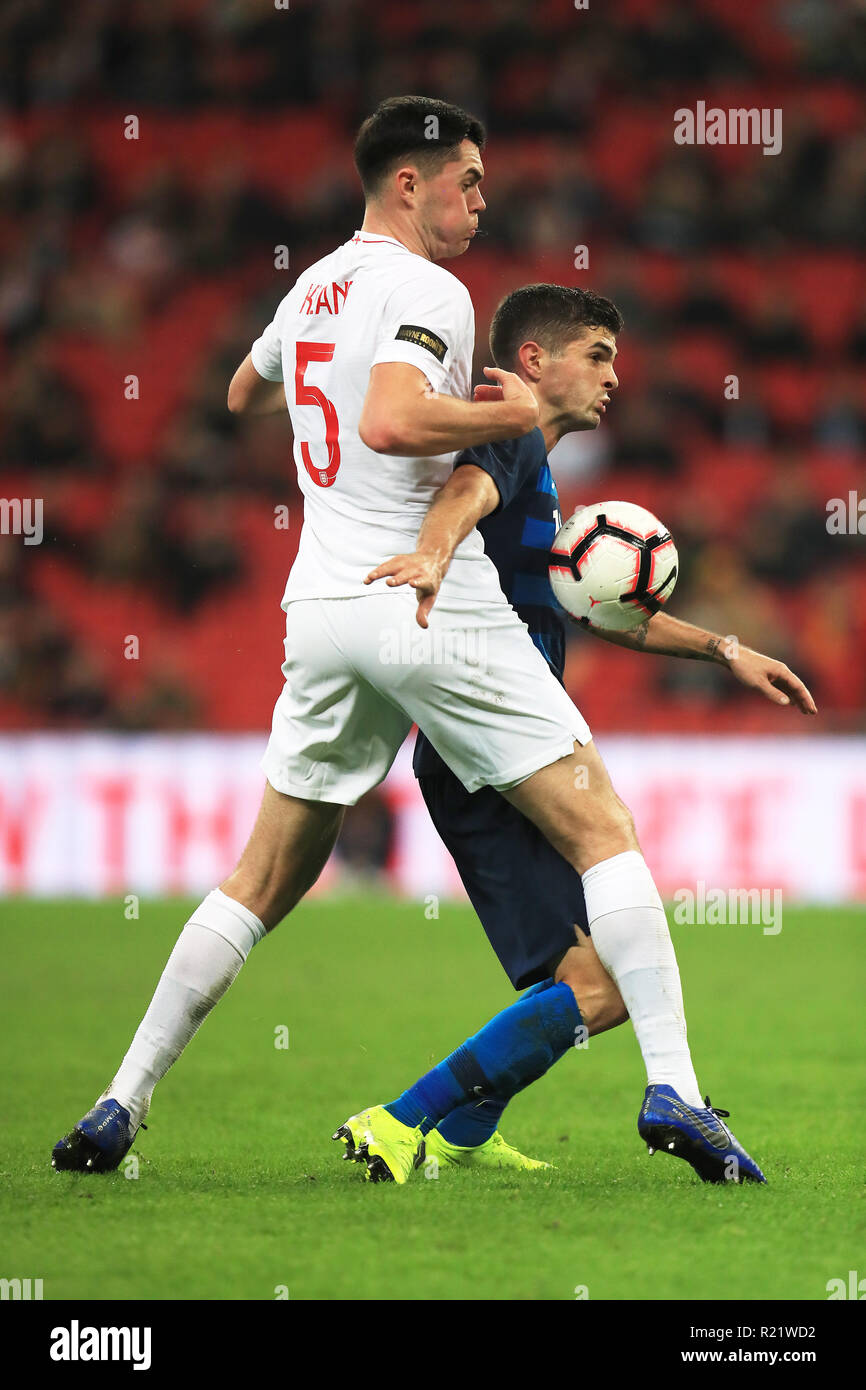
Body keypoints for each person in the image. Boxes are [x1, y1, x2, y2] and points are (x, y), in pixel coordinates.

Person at [51, 96, 813, 1189]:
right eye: (465, 177)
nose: (479, 197)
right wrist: (502, 417)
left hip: (319, 603)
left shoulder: (313, 284)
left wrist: (337, 456)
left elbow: (240, 392)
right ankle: (673, 1090)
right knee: (604, 828)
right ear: (407, 182)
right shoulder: (429, 292)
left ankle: (120, 1099)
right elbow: (396, 426)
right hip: (420, 599)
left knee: (262, 876)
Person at [334, 284, 817, 1184]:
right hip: (489, 747)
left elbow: (594, 609)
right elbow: (464, 496)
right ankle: (404, 1119)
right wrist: (434, 551)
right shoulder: (506, 438)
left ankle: (462, 1131)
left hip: (496, 747)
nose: (613, 375)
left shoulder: (541, 472)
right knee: (600, 979)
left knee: (587, 986)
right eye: (596, 354)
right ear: (533, 362)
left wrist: (723, 647)